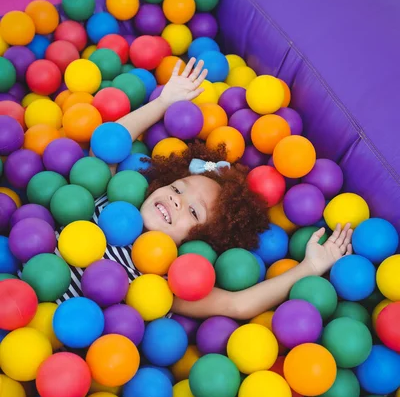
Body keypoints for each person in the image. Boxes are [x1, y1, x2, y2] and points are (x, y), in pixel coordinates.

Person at [61, 58, 353, 319]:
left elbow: (236, 305)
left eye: (192, 210)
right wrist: (164, 102)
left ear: (197, 241)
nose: (177, 201)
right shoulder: (107, 204)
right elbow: (109, 145)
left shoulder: (165, 280)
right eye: (177, 189)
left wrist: (310, 267)